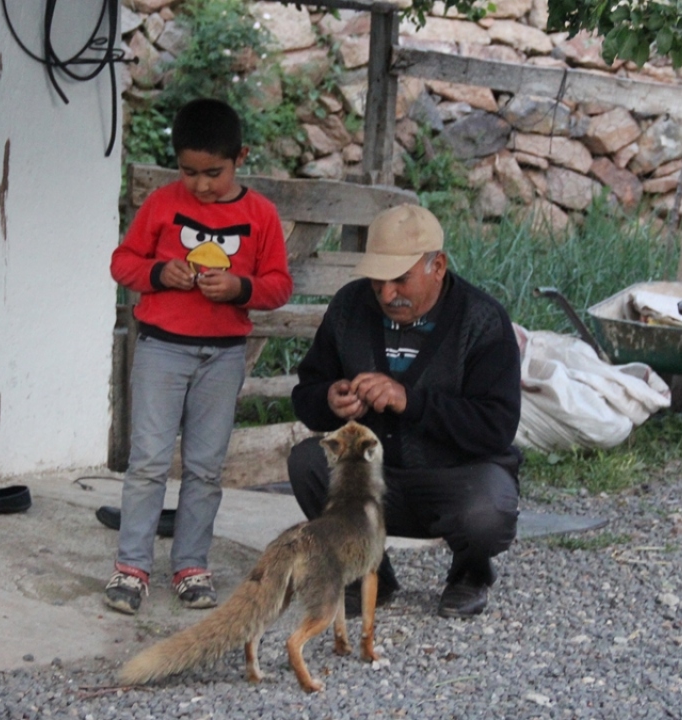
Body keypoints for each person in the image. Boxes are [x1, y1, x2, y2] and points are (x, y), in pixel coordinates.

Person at [287, 204, 522, 619]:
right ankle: (367, 573)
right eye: (378, 282)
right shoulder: (349, 307)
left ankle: (470, 572)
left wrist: (410, 401)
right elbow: (307, 391)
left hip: (452, 477)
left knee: (488, 509)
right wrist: (330, 398)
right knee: (308, 462)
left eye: (400, 280)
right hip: (374, 474)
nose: (387, 294)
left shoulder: (481, 320)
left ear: (438, 266)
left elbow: (496, 427)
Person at [106, 98, 293, 615]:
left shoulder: (261, 215)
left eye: (214, 172)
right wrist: (158, 273)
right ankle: (131, 568)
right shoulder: (162, 205)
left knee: (206, 468)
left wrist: (239, 287)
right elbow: (123, 262)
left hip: (224, 357)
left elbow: (278, 286)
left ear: (241, 158)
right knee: (146, 462)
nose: (201, 185)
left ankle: (191, 565)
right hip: (161, 349)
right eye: (188, 172)